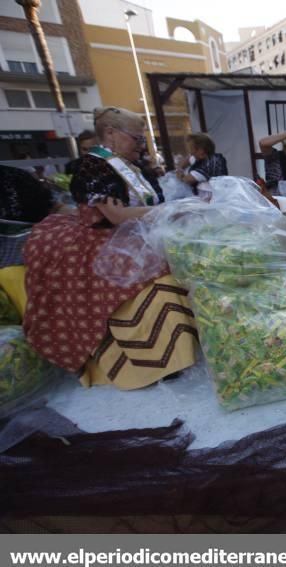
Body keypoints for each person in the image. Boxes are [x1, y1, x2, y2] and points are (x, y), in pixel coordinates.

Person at [23, 106, 199, 389]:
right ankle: (148, 363)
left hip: (132, 236)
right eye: (136, 139)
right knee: (156, 279)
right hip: (103, 242)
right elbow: (115, 217)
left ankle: (177, 353)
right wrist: (170, 210)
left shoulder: (129, 165)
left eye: (142, 140)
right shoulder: (93, 165)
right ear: (110, 134)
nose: (141, 146)